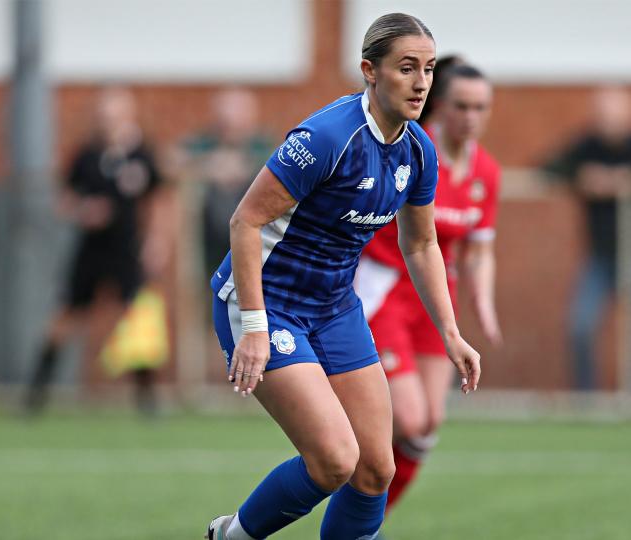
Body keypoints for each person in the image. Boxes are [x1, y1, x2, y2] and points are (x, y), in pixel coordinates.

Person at [205, 13, 481, 540]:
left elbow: (421, 243)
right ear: (369, 71)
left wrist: (450, 332)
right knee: (333, 461)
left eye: (427, 69)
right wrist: (256, 327)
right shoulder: (327, 137)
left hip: (333, 307)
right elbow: (246, 220)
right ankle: (229, 537)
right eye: (406, 68)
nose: (421, 82)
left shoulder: (419, 150)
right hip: (268, 301)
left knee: (376, 469)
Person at [353, 63, 501, 515]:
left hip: (435, 298)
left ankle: (367, 521)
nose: (471, 116)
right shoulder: (412, 148)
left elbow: (478, 248)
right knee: (410, 416)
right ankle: (340, 476)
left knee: (426, 426)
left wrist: (484, 301)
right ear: (440, 103)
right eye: (461, 105)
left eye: (480, 107)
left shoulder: (485, 172)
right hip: (384, 289)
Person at [24, 87, 168, 415]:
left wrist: (157, 241)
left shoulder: (142, 156)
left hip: (126, 251)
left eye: (115, 116)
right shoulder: (86, 156)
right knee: (64, 316)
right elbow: (65, 201)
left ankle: (147, 402)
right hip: (90, 251)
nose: (109, 122)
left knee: (137, 322)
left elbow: (159, 199)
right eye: (104, 116)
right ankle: (36, 394)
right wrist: (83, 211)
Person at [542, 85, 631, 391]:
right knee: (580, 325)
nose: (610, 124)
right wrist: (583, 177)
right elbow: (549, 167)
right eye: (604, 117)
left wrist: (629, 180)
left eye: (615, 117)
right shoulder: (588, 145)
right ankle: (587, 399)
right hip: (598, 256)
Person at [179, 88, 272, 277]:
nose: (230, 127)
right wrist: (209, 166)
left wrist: (245, 168)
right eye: (225, 121)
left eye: (236, 120)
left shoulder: (262, 144)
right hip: (209, 241)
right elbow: (172, 161)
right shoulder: (205, 143)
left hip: (254, 239)